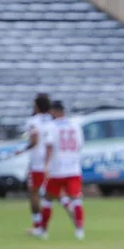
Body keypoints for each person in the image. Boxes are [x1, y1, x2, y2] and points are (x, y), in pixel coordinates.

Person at [44, 100, 85, 240]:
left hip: (57, 168)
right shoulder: (75, 125)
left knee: (47, 198)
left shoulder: (51, 126)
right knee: (76, 199)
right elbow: (79, 145)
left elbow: (49, 146)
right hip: (73, 167)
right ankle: (79, 230)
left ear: (54, 111)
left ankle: (43, 230)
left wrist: (46, 166)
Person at [16, 94, 54, 237]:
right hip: (50, 162)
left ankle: (38, 225)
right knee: (49, 194)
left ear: (37, 106)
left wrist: (22, 149)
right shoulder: (52, 120)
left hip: (37, 163)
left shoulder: (33, 121)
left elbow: (34, 140)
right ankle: (43, 226)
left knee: (34, 193)